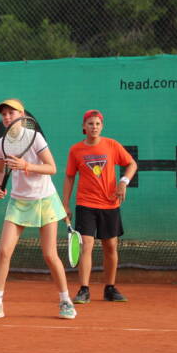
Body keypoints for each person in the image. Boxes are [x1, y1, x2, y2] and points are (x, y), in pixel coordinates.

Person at [0, 98, 76, 320]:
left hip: (44, 200)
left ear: (22, 116)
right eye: (3, 114)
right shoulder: (0, 145)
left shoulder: (35, 138)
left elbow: (52, 168)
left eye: (11, 113)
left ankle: (65, 301)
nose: (6, 117)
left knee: (50, 254)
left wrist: (26, 166)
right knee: (3, 252)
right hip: (18, 202)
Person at [61, 109, 138, 305]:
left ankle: (109, 288)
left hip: (110, 203)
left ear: (101, 126)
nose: (94, 127)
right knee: (86, 245)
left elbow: (131, 164)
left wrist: (123, 182)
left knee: (110, 246)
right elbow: (70, 176)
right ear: (83, 127)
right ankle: (84, 289)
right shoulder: (76, 150)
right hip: (85, 204)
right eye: (90, 124)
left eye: (97, 124)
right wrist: (65, 204)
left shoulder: (112, 145)